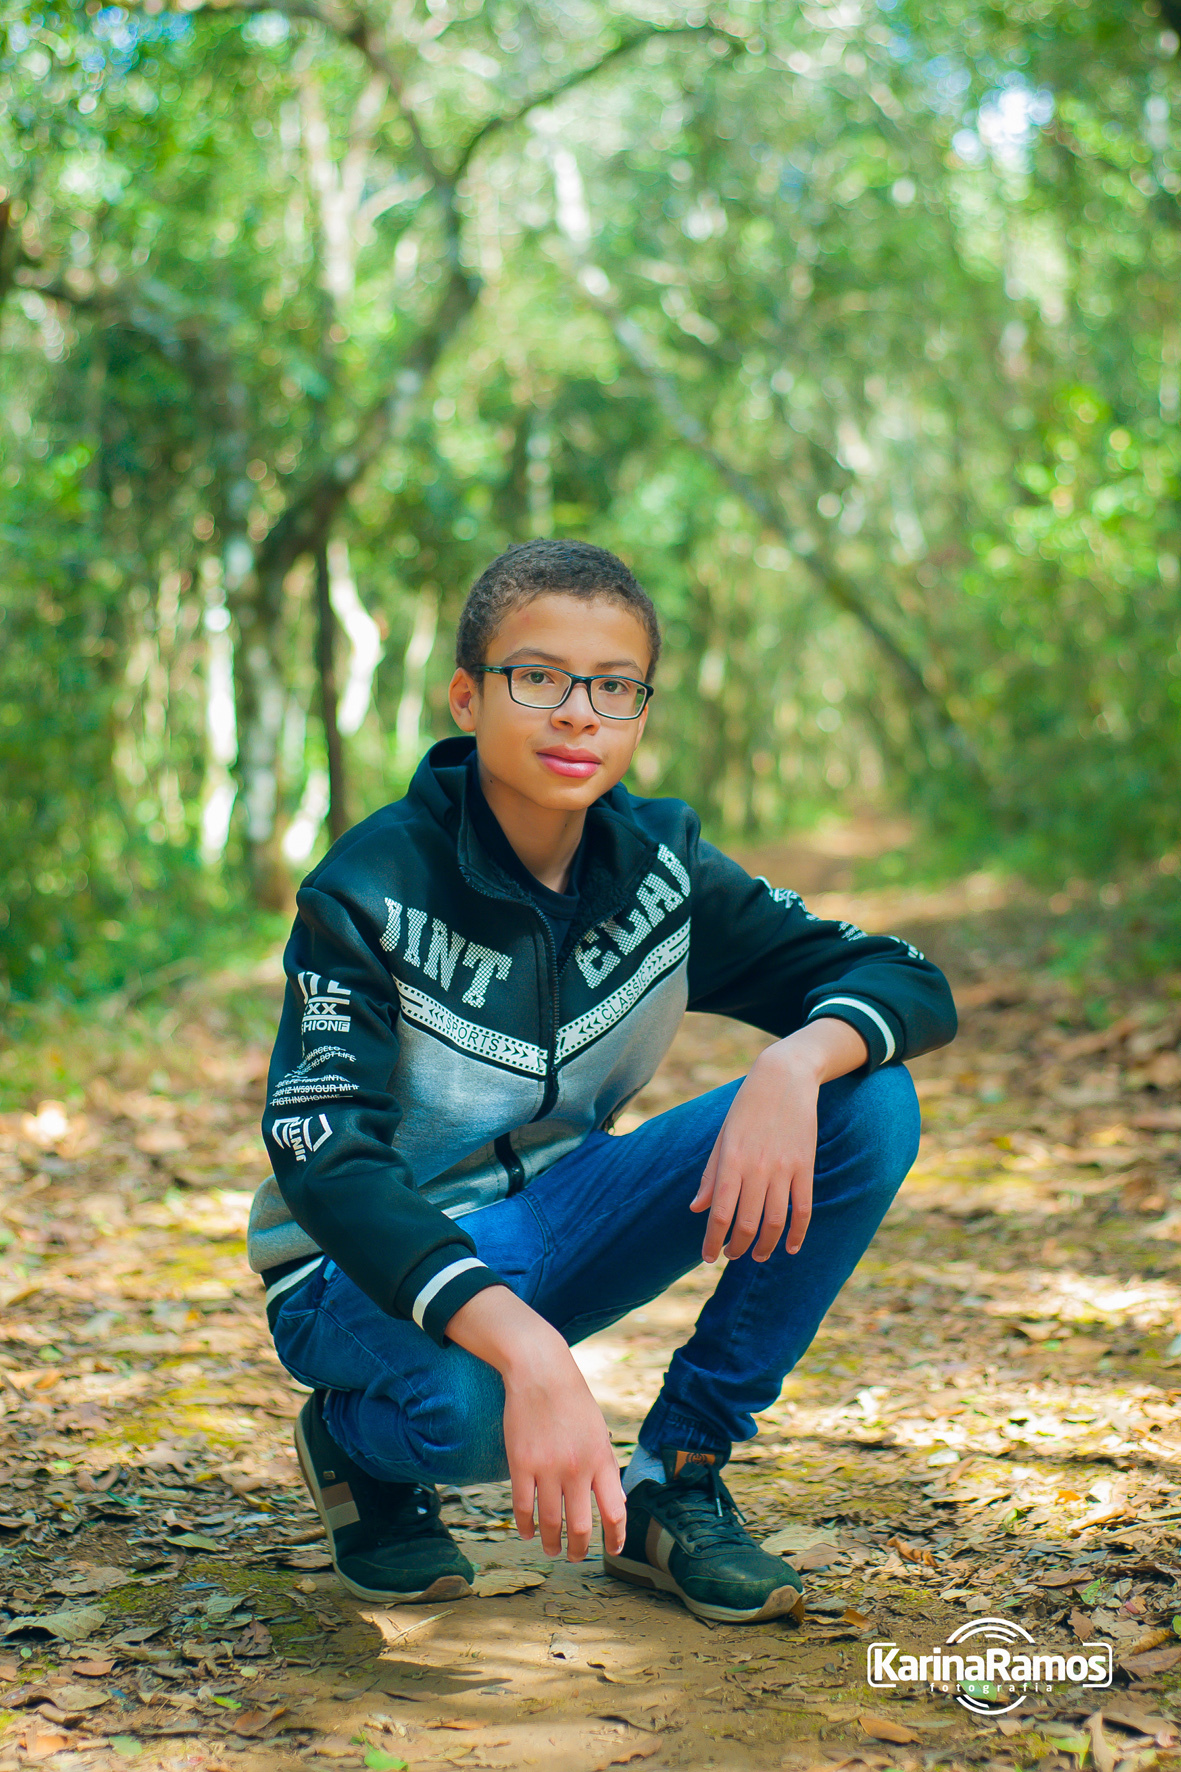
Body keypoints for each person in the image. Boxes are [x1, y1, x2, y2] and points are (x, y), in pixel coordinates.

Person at [248, 538, 956, 1626]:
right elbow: (325, 1156)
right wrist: (527, 1347)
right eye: (538, 677)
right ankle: (356, 1448)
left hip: (563, 1212)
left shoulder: (658, 866)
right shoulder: (370, 886)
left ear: (638, 711)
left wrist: (794, 1059)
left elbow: (902, 976)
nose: (578, 714)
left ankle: (677, 1473)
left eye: (613, 687)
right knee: (470, 1415)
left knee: (864, 1099)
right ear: (467, 696)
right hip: (352, 1270)